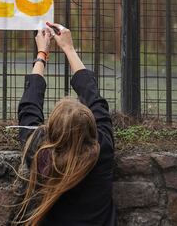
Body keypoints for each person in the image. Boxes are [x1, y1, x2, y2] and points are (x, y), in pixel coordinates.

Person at [13, 22, 115, 225]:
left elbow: (29, 109)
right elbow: (96, 101)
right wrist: (69, 48)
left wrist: (42, 53)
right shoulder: (101, 149)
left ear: (50, 129)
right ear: (91, 127)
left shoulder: (40, 153)